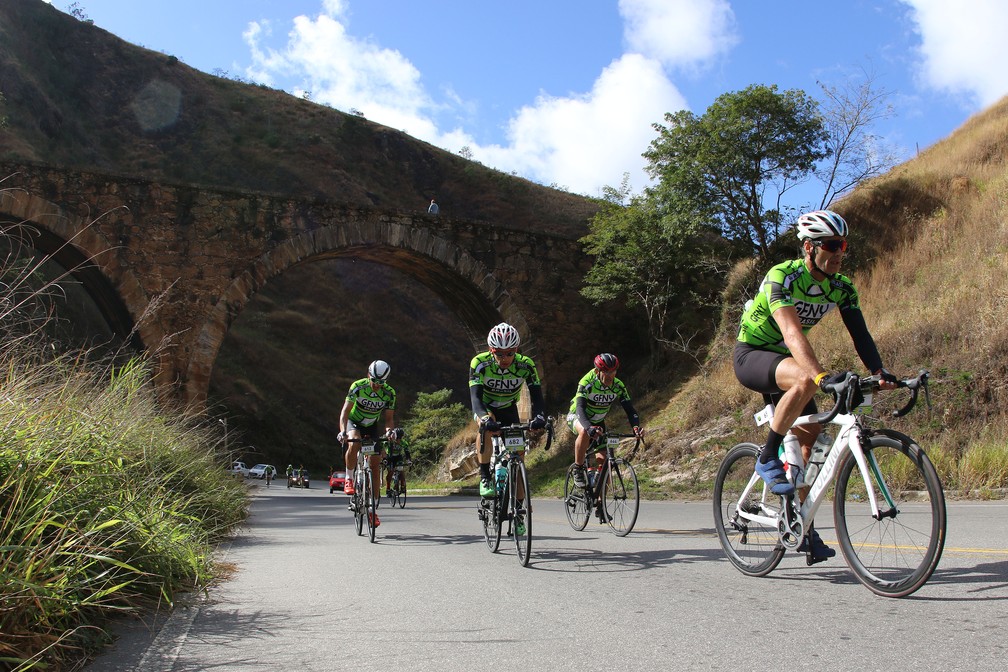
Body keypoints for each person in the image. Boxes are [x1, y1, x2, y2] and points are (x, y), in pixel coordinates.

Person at [734, 209, 897, 562]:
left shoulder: (841, 287)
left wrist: (879, 370)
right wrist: (821, 377)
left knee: (812, 447)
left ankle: (802, 526)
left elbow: (860, 333)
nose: (839, 252)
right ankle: (767, 456)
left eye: (843, 246)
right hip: (753, 354)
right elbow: (792, 333)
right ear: (809, 247)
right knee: (806, 378)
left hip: (788, 360)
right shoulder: (782, 276)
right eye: (831, 245)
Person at [469, 322, 547, 535]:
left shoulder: (526, 365)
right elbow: (475, 398)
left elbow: (537, 396)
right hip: (486, 407)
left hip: (509, 408)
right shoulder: (480, 363)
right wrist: (485, 418)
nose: (504, 358)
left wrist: (540, 417)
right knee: (485, 426)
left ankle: (519, 512)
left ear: (516, 350)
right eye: (499, 354)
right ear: (491, 350)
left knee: (518, 458)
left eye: (510, 353)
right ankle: (485, 476)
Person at [566, 353, 644, 489]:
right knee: (584, 431)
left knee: (605, 462)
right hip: (578, 416)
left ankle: (600, 500)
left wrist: (636, 427)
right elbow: (580, 408)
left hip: (598, 421)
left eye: (613, 371)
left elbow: (630, 410)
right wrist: (588, 427)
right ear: (597, 371)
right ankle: (578, 469)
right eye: (606, 372)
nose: (610, 376)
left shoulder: (618, 386)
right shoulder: (587, 382)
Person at [339, 360, 397, 527]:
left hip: (371, 426)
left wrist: (389, 432)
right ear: (368, 375)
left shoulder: (389, 393)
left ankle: (372, 509)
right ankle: (349, 478)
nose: (377, 385)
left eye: (381, 382)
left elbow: (389, 419)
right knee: (354, 442)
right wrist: (342, 431)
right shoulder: (358, 386)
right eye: (374, 380)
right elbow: (345, 412)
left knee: (375, 466)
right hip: (354, 422)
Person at [384, 427, 412, 497]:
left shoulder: (404, 443)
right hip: (390, 457)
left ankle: (402, 486)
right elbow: (381, 447)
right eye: (397, 438)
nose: (399, 440)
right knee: (390, 472)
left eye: (400, 438)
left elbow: (407, 452)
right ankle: (388, 489)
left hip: (398, 457)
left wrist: (409, 461)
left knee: (401, 470)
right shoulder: (388, 441)